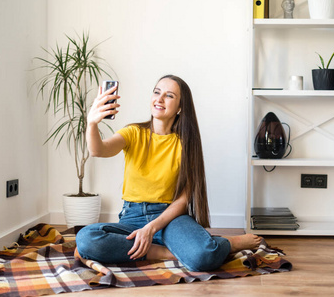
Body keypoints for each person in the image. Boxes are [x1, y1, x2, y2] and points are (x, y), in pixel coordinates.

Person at [75, 74, 262, 272]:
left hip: (171, 218)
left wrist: (151, 228)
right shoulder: (133, 133)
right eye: (157, 92)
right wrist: (92, 123)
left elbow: (182, 201)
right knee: (86, 239)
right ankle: (166, 252)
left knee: (204, 257)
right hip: (132, 217)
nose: (160, 99)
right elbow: (98, 150)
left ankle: (227, 243)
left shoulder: (185, 144)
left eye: (169, 96)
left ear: (181, 106)